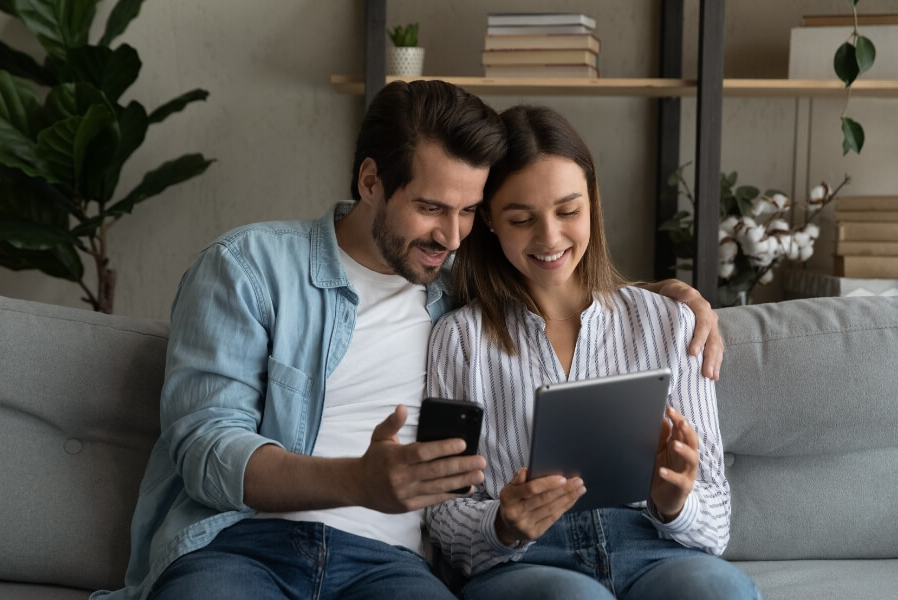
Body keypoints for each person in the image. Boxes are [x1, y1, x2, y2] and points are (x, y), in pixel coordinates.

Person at [92, 81, 724, 600]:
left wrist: (672, 294)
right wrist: (358, 483)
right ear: (371, 181)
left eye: (469, 211)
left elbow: (555, 271)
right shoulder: (248, 268)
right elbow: (205, 450)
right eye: (430, 207)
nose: (451, 236)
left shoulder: (458, 291)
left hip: (387, 566)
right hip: (240, 545)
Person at [425, 105, 760, 600]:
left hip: (652, 549)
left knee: (722, 592)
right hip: (527, 561)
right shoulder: (460, 339)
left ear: (593, 204)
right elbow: (440, 511)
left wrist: (675, 503)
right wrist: (503, 524)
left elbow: (715, 525)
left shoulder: (670, 322)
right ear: (490, 221)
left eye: (568, 211)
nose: (550, 238)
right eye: (521, 219)